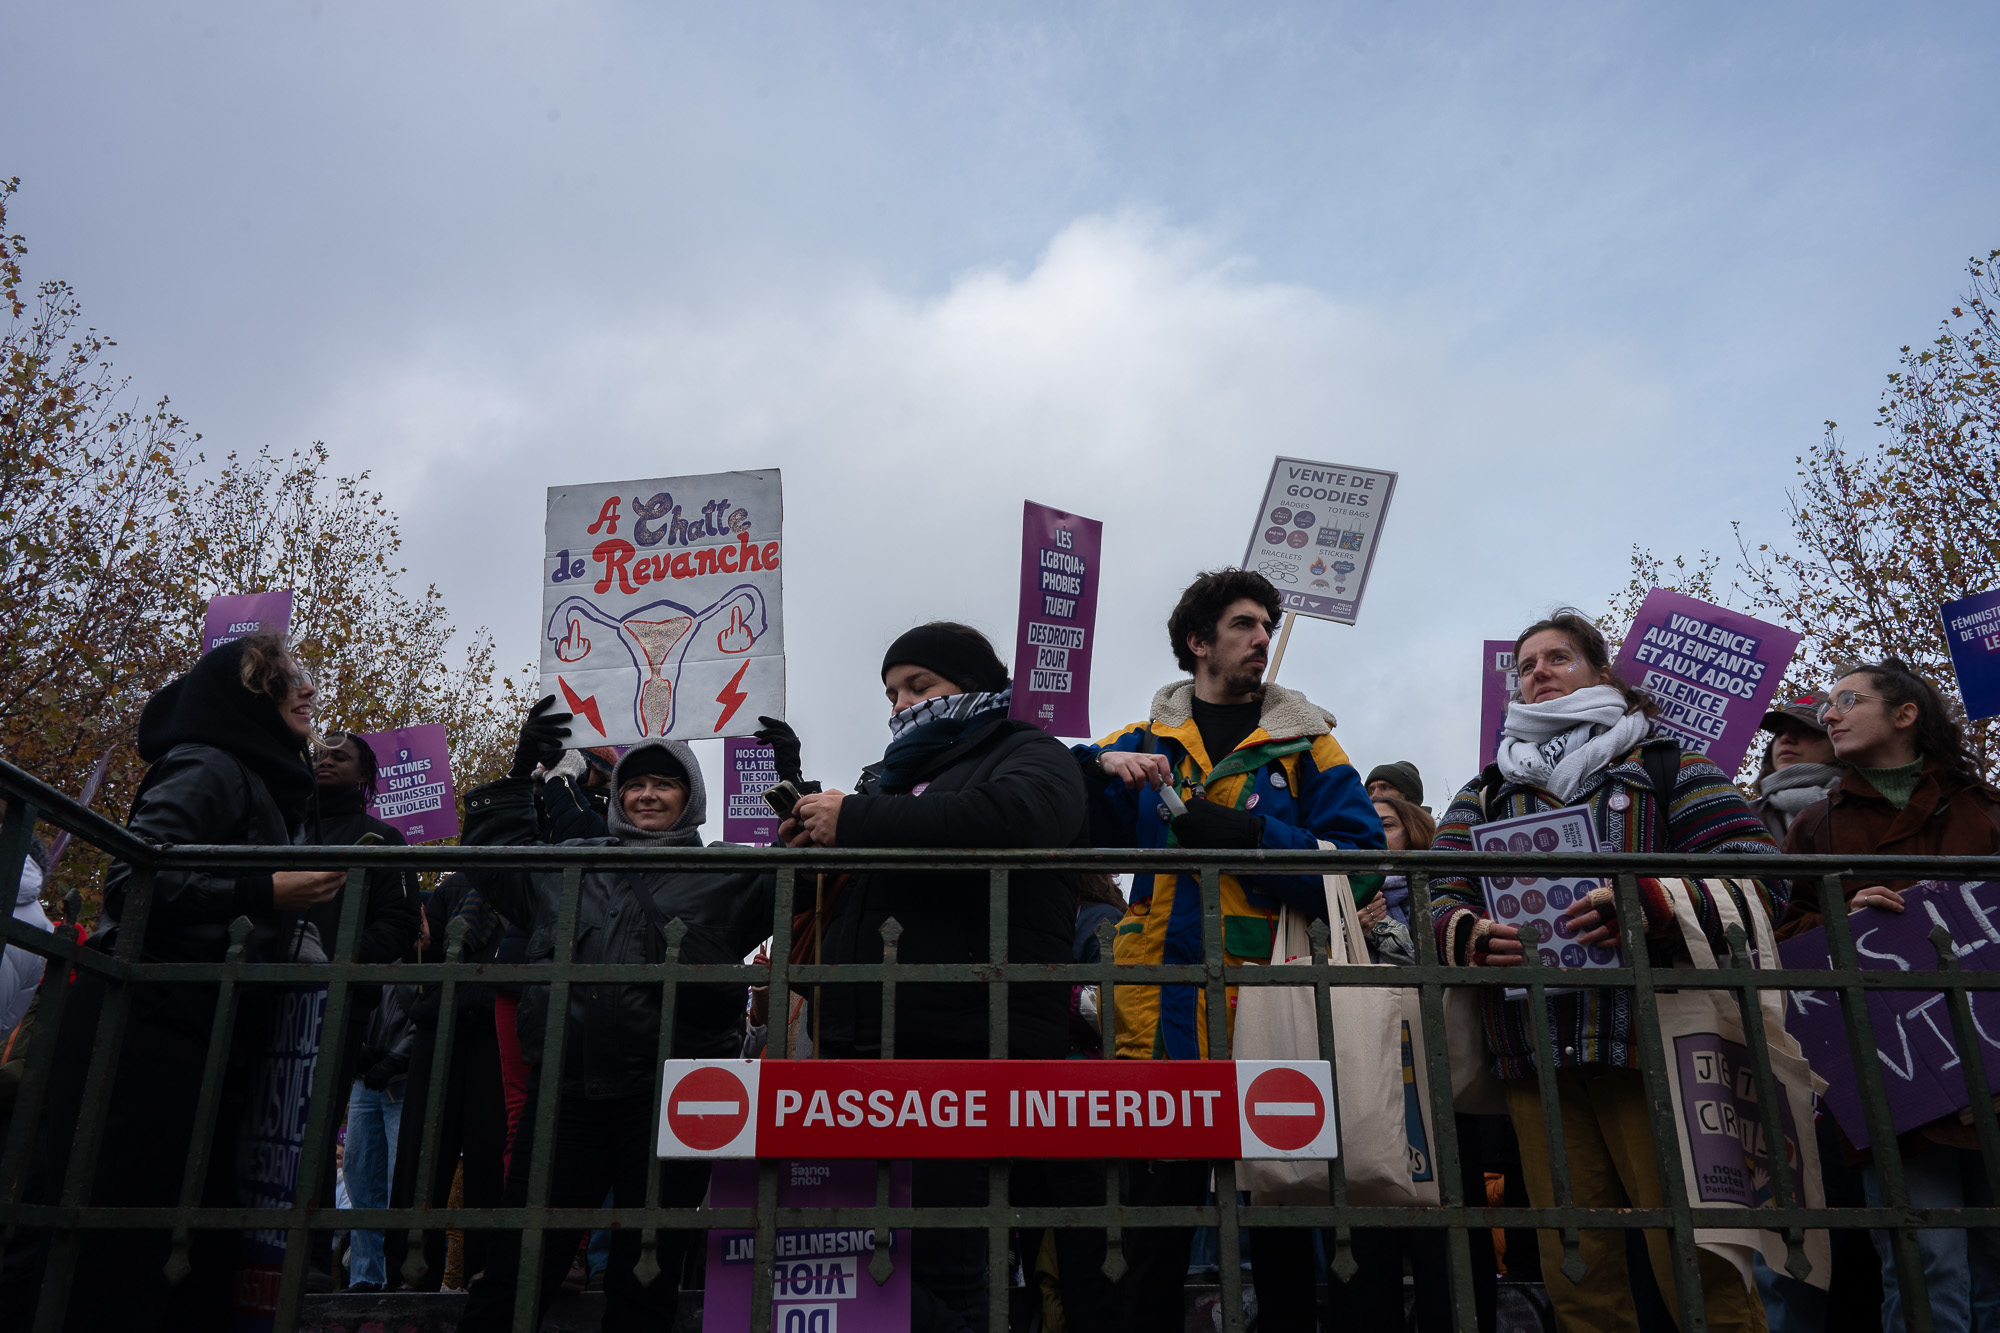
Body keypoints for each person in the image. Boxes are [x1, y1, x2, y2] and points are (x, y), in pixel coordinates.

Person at [1427, 609, 1780, 1333]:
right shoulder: (1487, 789)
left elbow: (1758, 876)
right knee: (1577, 1275)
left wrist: (1651, 903)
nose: (1539, 672)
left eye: (1559, 657)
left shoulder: (1667, 764)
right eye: (1527, 665)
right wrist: (1466, 932)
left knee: (1700, 1263)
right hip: (1536, 1060)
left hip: (1658, 1049)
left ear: (1601, 672)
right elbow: (1437, 890)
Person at [0, 634, 347, 1332]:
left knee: (179, 1246)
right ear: (251, 699)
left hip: (193, 1034)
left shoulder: (267, 779)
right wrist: (267, 887)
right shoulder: (208, 763)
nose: (308, 691)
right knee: (112, 1247)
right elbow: (133, 884)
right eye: (287, 681)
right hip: (137, 1035)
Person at [778, 620, 1113, 1333]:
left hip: (963, 1051)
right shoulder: (895, 776)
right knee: (857, 1260)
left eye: (919, 686)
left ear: (976, 685)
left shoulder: (1028, 749)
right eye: (891, 691)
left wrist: (860, 818)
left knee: (946, 1267)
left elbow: (1020, 817)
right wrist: (822, 841)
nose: (901, 704)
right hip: (867, 1050)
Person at [1073, 569, 1383, 1333]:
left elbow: (1364, 863)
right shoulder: (1143, 740)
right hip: (1160, 1022)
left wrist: (1251, 837)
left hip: (1270, 1013)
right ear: (1198, 641)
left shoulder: (1308, 741)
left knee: (1281, 1237)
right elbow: (1047, 793)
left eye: (1268, 627)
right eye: (1244, 625)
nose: (1261, 639)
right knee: (1152, 1238)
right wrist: (1093, 764)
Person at [455, 703, 779, 1333]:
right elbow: (494, 856)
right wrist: (524, 770)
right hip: (566, 1098)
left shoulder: (731, 871)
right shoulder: (567, 864)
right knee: (519, 1269)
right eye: (634, 783)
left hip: (672, 1104)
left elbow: (813, 869)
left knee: (645, 1280)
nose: (647, 795)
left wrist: (794, 781)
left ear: (692, 796)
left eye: (664, 783)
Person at [1775, 660, 2000, 1333]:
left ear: (1906, 715)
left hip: (1989, 1070)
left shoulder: (1986, 811)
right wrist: (1843, 916)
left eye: (1849, 699)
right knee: (1926, 1261)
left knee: (1992, 1260)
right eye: (1829, 704)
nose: (1830, 714)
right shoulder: (1816, 825)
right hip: (1892, 1081)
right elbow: (1781, 939)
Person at [1336, 793, 1499, 1332]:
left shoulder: (1441, 893)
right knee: (1367, 1211)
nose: (1373, 834)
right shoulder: (1339, 897)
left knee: (1448, 1219)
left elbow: (1456, 957)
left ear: (1415, 832)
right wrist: (1348, 929)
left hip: (1437, 1074)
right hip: (1366, 1075)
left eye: (1385, 825)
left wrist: (1388, 932)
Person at [307, 729, 420, 1289]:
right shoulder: (284, 825)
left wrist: (340, 959)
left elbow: (399, 925)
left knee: (323, 1142)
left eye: (340, 755)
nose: (325, 759)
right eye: (320, 752)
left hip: (339, 1012)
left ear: (366, 774)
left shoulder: (382, 839)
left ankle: (313, 1266)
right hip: (270, 998)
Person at [384, 872, 512, 1292]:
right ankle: (410, 1270)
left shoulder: (532, 882)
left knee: (491, 1156)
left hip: (495, 1032)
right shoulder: (455, 886)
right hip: (439, 1030)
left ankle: (486, 1271)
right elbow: (424, 952)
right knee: (422, 1154)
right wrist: (420, 941)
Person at [1749, 693, 1841, 842]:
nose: (1786, 738)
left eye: (1805, 730)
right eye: (1779, 732)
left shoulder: (1869, 810)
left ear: (1835, 742)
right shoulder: (1745, 816)